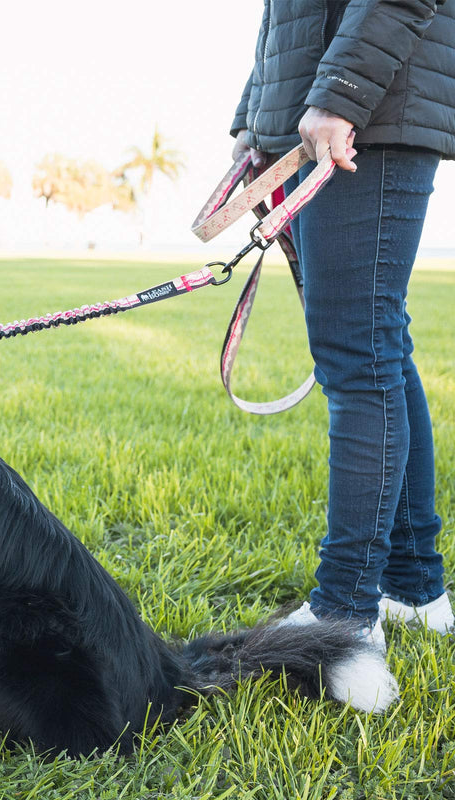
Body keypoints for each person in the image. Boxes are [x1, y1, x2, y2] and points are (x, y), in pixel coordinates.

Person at [231, 0, 455, 658]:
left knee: (359, 356)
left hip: (366, 112)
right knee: (377, 346)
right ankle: (414, 589)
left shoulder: (351, 104)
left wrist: (342, 95)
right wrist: (257, 119)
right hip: (328, 113)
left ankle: (346, 609)